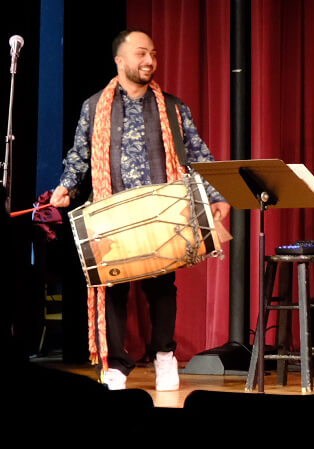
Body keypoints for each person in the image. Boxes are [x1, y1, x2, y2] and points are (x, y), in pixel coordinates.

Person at [50, 29, 230, 391]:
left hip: (161, 210)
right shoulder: (94, 106)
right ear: (119, 60)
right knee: (113, 286)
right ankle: (116, 363)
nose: (149, 61)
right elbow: (79, 155)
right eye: (141, 54)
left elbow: (197, 154)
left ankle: (164, 356)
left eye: (153, 54)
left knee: (163, 285)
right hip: (112, 209)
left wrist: (215, 196)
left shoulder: (173, 108)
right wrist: (67, 186)